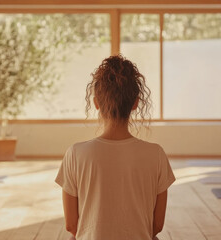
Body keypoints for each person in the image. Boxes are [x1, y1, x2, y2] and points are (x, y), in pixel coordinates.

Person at [55, 54, 175, 240]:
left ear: (96, 103)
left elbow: (71, 225)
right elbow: (157, 225)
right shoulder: (156, 154)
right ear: (135, 103)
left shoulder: (75, 153)